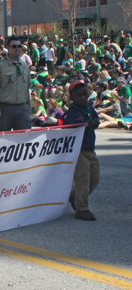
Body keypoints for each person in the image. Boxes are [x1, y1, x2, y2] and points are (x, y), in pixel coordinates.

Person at [62, 81, 100, 221]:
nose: (83, 97)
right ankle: (82, 209)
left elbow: (96, 120)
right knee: (83, 179)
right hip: (79, 150)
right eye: (79, 95)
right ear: (71, 97)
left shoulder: (89, 108)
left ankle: (74, 196)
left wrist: (94, 124)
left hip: (90, 148)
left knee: (94, 178)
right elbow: (67, 131)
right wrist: (84, 127)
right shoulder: (70, 114)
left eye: (85, 94)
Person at [0, 36, 32, 132]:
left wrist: (28, 107)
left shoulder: (24, 66)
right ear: (8, 47)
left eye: (19, 46)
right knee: (3, 139)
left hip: (22, 107)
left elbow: (27, 88)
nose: (17, 48)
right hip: (5, 108)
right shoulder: (0, 66)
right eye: (14, 46)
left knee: (25, 138)